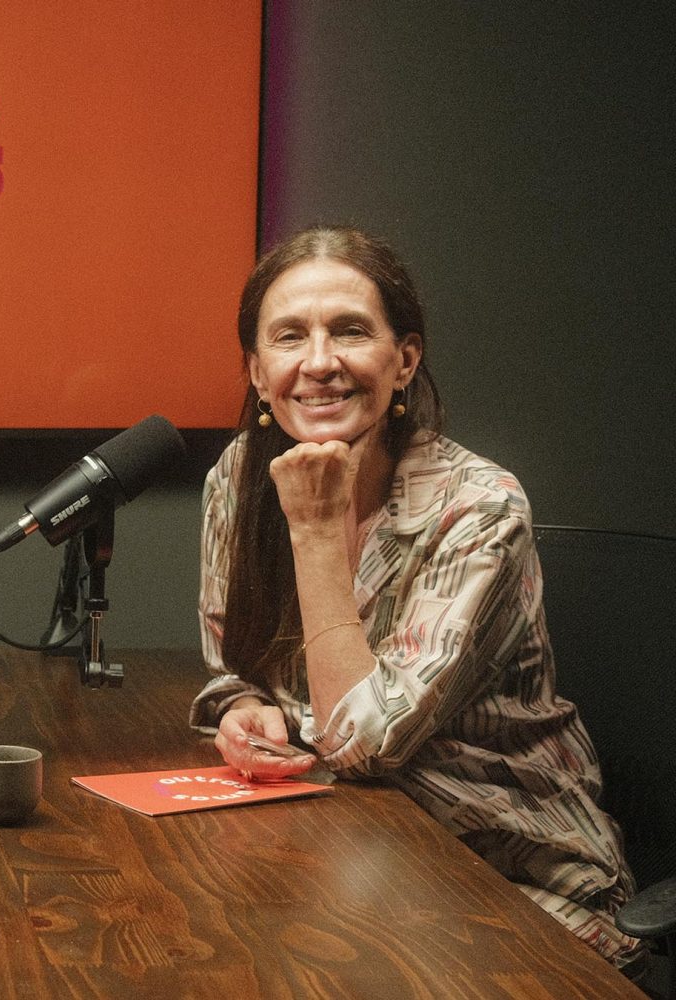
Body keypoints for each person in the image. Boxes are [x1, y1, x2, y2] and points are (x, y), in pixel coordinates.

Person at [189, 225, 643, 973]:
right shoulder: (237, 480)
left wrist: (312, 529)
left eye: (351, 331)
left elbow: (362, 744)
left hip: (512, 873)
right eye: (289, 337)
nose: (320, 362)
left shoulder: (480, 509)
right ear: (257, 369)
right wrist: (243, 714)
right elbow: (234, 670)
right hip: (341, 852)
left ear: (404, 361)